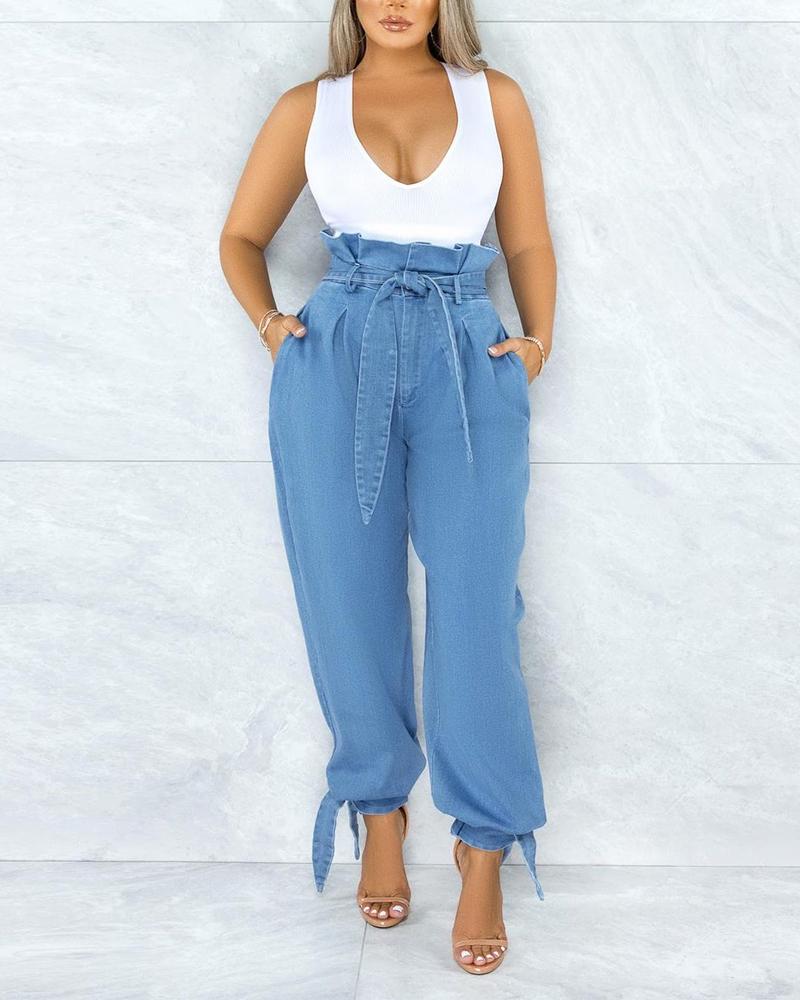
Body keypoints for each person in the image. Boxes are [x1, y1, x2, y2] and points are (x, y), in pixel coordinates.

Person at [219, 0, 556, 977]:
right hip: (336, 354)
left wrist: (537, 340)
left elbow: (525, 241)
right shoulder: (308, 107)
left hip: (466, 350)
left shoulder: (494, 98)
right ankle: (377, 809)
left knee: (475, 604)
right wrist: (273, 327)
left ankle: (483, 841)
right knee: (345, 595)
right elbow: (240, 237)